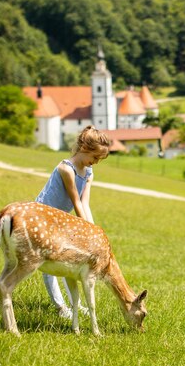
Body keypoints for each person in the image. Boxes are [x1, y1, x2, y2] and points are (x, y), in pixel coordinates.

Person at [35, 125, 111, 319]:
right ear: (85, 148)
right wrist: (85, 230)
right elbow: (76, 201)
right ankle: (61, 308)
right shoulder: (66, 169)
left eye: (99, 160)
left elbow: (85, 202)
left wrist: (95, 232)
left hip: (61, 220)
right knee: (49, 262)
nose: (95, 162)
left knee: (67, 263)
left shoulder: (88, 173)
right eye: (95, 157)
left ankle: (74, 305)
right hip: (44, 217)